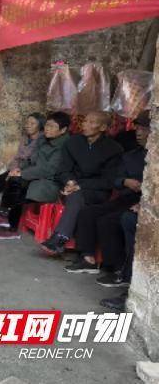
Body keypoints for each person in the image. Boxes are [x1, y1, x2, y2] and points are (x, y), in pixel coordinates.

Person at [64, 110, 149, 276]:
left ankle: (116, 268)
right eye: (138, 128)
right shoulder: (131, 156)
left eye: (144, 129)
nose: (138, 133)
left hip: (142, 202)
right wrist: (124, 182)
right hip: (126, 197)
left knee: (108, 221)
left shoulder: (116, 149)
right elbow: (115, 179)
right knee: (88, 213)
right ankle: (88, 258)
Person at [40, 111, 124, 255]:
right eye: (85, 121)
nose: (85, 125)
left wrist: (80, 186)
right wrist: (69, 181)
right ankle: (60, 238)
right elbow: (63, 169)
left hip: (96, 191)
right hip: (70, 186)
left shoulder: (114, 149)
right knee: (74, 194)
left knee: (76, 195)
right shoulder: (73, 142)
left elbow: (108, 181)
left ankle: (60, 237)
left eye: (92, 122)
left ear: (103, 127)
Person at [0, 112, 71, 239]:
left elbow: (48, 169)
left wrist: (22, 173)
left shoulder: (63, 147)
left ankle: (9, 224)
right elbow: (30, 160)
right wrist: (18, 169)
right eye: (47, 125)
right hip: (35, 176)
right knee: (13, 181)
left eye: (52, 126)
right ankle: (6, 219)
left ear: (63, 130)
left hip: (49, 183)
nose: (47, 129)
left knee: (17, 187)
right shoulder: (43, 140)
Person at [0, 113, 44, 223]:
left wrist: (18, 170)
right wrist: (12, 169)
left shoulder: (41, 141)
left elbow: (31, 161)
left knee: (11, 183)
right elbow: (17, 157)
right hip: (15, 169)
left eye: (32, 123)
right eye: (27, 122)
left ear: (40, 126)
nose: (28, 125)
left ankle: (4, 216)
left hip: (26, 172)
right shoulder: (24, 138)